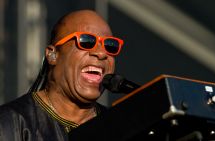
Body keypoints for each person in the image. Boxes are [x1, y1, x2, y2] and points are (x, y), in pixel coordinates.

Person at [0, 9, 124, 141]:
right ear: (52, 55)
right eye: (87, 41)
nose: (101, 53)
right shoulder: (11, 123)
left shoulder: (119, 127)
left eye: (111, 45)